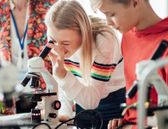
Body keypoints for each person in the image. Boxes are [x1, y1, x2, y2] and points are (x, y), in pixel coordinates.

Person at [90, 0, 168, 128]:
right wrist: (126, 120)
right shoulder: (128, 36)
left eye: (111, 14)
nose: (108, 22)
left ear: (135, 2)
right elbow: (135, 99)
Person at [44, 0, 126, 128]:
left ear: (83, 34)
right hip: (83, 96)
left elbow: (92, 102)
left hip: (112, 101)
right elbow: (66, 86)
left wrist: (62, 75)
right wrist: (64, 114)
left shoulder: (103, 40)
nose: (59, 49)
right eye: (53, 40)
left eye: (65, 43)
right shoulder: (60, 40)